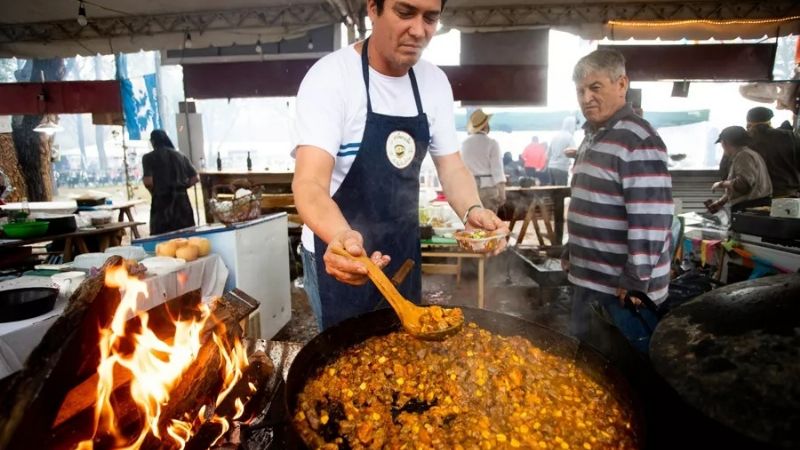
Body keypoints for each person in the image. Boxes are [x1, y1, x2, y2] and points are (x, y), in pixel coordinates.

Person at [291, 0, 508, 330]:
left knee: (407, 352)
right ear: (373, 9)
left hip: (402, 251)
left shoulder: (434, 83)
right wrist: (341, 237)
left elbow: (452, 168)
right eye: (405, 13)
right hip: (341, 250)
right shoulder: (331, 78)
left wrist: (472, 210)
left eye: (430, 18)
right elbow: (309, 184)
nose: (418, 30)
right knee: (346, 362)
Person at [563, 49, 674, 354]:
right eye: (580, 91)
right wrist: (571, 249)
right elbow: (588, 201)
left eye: (595, 87)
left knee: (623, 377)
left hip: (622, 293)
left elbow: (651, 219)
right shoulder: (593, 135)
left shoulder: (638, 139)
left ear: (621, 84)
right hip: (590, 280)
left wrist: (637, 279)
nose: (586, 98)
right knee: (587, 367)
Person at [142, 129, 198, 235]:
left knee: (162, 240)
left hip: (161, 203)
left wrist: (154, 192)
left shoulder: (148, 158)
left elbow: (148, 182)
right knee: (186, 237)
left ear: (153, 142)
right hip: (182, 202)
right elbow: (195, 178)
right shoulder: (181, 156)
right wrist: (183, 186)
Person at [705, 126, 772, 213]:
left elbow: (743, 184)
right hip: (753, 205)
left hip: (750, 207)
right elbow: (737, 187)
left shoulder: (743, 156)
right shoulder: (748, 154)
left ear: (725, 143)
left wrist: (720, 184)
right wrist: (720, 202)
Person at [746, 106, 800, 198]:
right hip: (789, 195)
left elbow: (728, 169)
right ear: (769, 120)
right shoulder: (791, 136)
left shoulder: (744, 140)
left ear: (748, 122)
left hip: (755, 198)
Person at [461, 109, 506, 212]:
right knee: (489, 222)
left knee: (473, 220)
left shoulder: (464, 143)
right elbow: (497, 171)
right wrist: (502, 193)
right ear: (486, 126)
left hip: (470, 187)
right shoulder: (492, 143)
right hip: (488, 188)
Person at [546, 116, 576, 185]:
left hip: (551, 167)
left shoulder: (555, 136)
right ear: (572, 126)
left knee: (552, 192)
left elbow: (548, 154)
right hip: (561, 168)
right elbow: (574, 152)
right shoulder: (569, 137)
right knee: (561, 192)